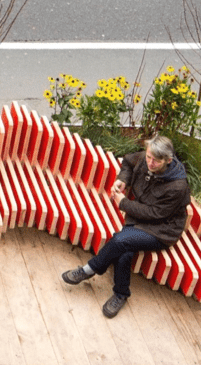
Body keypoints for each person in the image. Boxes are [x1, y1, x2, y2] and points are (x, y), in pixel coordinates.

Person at [61, 136, 190, 318]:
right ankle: (121, 294)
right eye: (149, 157)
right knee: (124, 251)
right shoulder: (146, 158)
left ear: (168, 160)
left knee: (121, 240)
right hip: (137, 217)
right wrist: (123, 180)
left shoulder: (178, 186)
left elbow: (155, 214)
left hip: (161, 230)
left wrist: (124, 203)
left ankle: (90, 269)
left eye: (157, 161)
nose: (151, 163)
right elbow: (128, 163)